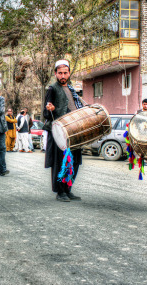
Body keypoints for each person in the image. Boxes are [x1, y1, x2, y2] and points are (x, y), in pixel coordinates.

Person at [43, 60, 83, 202]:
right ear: (55, 74)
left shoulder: (72, 89)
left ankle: (68, 189)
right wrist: (50, 109)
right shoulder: (52, 89)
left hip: (74, 130)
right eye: (60, 73)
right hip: (60, 132)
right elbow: (46, 113)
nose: (63, 75)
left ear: (69, 73)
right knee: (61, 162)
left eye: (65, 72)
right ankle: (60, 192)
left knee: (75, 161)